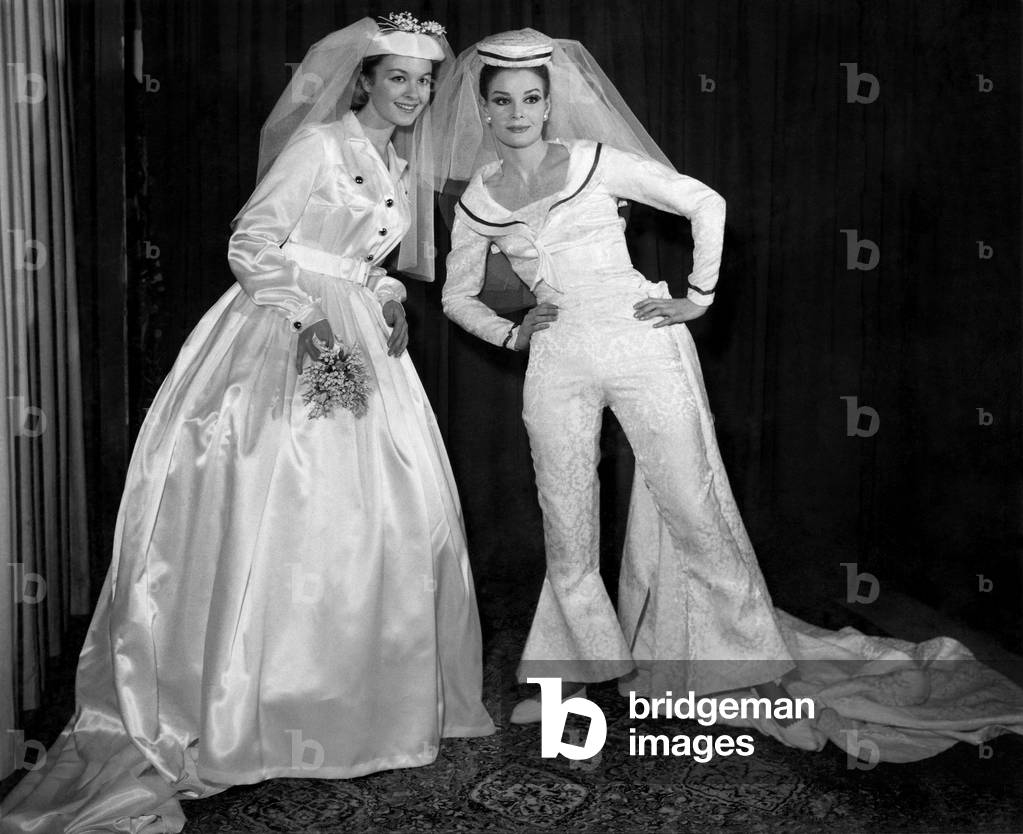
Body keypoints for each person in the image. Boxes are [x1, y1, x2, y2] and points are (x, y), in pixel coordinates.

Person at [434, 28, 1023, 760]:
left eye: (530, 98)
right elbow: (457, 296)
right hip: (556, 359)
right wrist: (512, 336)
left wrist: (696, 296)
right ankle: (571, 680)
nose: (518, 112)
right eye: (503, 101)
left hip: (642, 342)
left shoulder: (595, 162)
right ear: (484, 112)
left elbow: (703, 202)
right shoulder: (479, 201)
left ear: (550, 105)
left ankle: (745, 668)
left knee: (692, 506)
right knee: (565, 522)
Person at [0, 15, 493, 834]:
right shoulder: (320, 146)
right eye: (398, 77)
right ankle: (249, 706)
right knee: (284, 506)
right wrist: (313, 320)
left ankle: (354, 701)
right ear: (364, 78)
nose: (413, 94)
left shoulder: (394, 159)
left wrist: (388, 300)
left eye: (425, 81)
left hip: (359, 336)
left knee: (390, 516)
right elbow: (255, 241)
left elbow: (364, 258)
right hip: (281, 334)